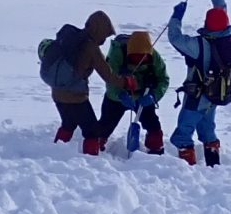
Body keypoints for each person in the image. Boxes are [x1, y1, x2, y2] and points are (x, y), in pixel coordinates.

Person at [166, 0, 231, 166]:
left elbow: (175, 39)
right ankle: (213, 165)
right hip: (215, 93)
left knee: (184, 131)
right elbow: (221, 6)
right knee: (207, 128)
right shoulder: (228, 39)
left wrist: (176, 17)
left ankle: (188, 168)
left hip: (197, 96)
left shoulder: (199, 45)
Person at [40, 10, 125, 154]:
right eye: (104, 35)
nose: (104, 39)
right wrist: (126, 83)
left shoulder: (72, 39)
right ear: (99, 31)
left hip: (57, 93)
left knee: (68, 124)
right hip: (76, 97)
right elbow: (108, 75)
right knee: (92, 132)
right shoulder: (91, 47)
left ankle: (55, 153)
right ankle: (91, 161)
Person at [92, 29, 171, 155]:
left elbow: (163, 79)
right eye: (134, 58)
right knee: (106, 124)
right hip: (119, 96)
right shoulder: (116, 55)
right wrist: (120, 95)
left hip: (143, 96)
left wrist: (154, 96)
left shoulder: (154, 56)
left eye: (142, 58)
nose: (138, 62)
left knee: (153, 125)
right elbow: (110, 81)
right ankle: (96, 144)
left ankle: (156, 150)